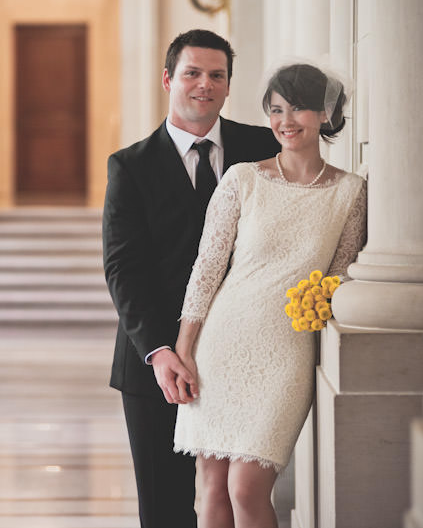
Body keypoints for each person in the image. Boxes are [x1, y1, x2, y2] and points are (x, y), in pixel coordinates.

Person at [171, 62, 368, 528]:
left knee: (246, 487)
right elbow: (207, 268)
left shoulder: (350, 192)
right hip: (221, 342)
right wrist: (185, 348)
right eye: (276, 110)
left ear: (326, 113)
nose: (285, 120)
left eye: (298, 108)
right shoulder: (242, 179)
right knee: (211, 485)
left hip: (286, 352)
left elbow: (339, 276)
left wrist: (325, 299)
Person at [102, 29, 281, 528]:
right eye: (193, 73)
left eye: (217, 75)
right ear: (168, 79)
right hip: (156, 365)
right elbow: (123, 269)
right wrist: (161, 353)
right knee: (164, 509)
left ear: (228, 86)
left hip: (243, 356)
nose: (205, 84)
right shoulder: (130, 166)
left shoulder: (264, 147)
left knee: (235, 498)